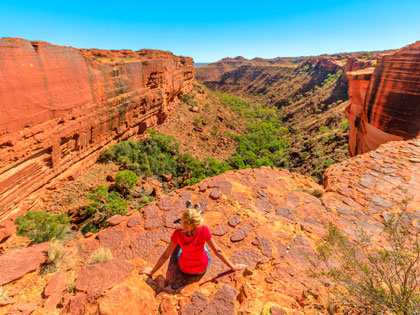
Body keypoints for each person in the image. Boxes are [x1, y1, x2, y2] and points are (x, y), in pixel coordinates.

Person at [142, 201, 246, 277]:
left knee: (180, 247)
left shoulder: (177, 233)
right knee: (203, 244)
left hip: (184, 269)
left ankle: (190, 213)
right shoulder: (203, 229)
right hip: (202, 268)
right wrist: (233, 267)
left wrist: (151, 272)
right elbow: (217, 251)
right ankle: (196, 213)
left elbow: (165, 256)